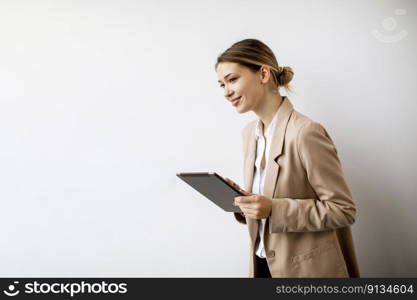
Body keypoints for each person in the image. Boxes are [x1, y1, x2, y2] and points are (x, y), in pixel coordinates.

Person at [215, 39, 360, 278]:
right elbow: (266, 204)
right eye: (221, 85)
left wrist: (274, 209)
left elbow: (343, 210)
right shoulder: (249, 134)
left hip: (306, 271)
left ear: (263, 74)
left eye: (232, 79)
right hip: (262, 265)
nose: (226, 92)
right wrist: (245, 203)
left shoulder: (306, 132)